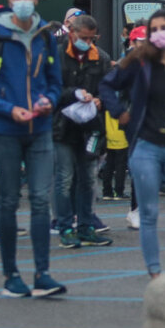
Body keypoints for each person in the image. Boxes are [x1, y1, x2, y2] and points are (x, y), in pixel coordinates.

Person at [0, 0, 67, 299]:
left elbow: (55, 82)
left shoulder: (46, 36)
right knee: (9, 201)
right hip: (5, 131)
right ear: (10, 1)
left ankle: (43, 274)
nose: (23, 0)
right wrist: (7, 109)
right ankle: (11, 275)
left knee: (41, 201)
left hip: (39, 129)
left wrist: (49, 101)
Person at [100, 10, 165, 278]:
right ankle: (155, 270)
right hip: (145, 147)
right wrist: (118, 112)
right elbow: (107, 85)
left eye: (164, 28)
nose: (159, 33)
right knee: (148, 214)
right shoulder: (139, 61)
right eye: (154, 29)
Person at [53, 13, 113, 250]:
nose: (87, 43)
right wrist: (74, 94)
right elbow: (50, 90)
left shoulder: (101, 58)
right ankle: (65, 227)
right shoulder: (57, 56)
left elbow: (109, 89)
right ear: (72, 33)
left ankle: (86, 226)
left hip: (90, 127)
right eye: (83, 38)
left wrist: (100, 101)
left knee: (88, 179)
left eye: (91, 39)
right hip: (62, 126)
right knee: (65, 178)